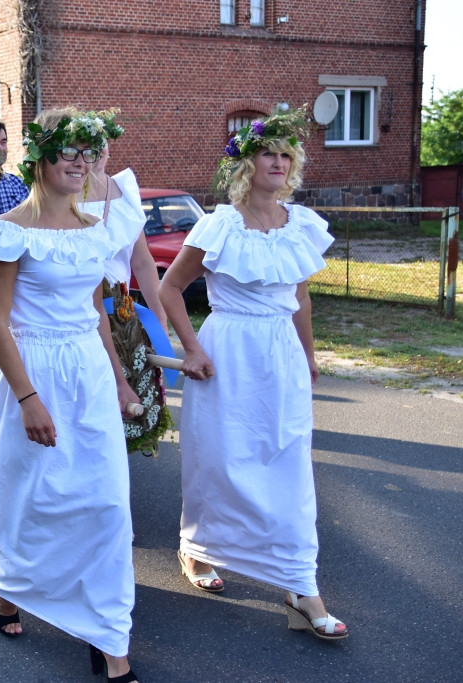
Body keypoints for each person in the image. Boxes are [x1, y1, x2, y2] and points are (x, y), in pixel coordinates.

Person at [158, 106, 348, 640]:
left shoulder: (301, 225)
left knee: (288, 461)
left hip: (280, 352)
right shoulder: (219, 225)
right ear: (247, 161)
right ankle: (196, 547)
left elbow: (301, 297)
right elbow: (171, 287)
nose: (280, 163)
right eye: (270, 152)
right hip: (228, 352)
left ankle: (298, 584)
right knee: (219, 457)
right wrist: (190, 348)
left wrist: (308, 354)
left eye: (288, 155)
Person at [0, 110, 140, 681]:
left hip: (87, 371)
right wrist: (27, 399)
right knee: (33, 497)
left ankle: (109, 635)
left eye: (88, 153)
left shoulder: (97, 227)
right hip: (32, 368)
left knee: (107, 502)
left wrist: (117, 378)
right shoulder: (7, 229)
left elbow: (94, 312)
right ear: (40, 156)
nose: (80, 161)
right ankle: (8, 588)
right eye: (68, 151)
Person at [79, 109, 173, 455]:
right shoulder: (64, 191)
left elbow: (143, 261)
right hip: (79, 307)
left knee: (132, 393)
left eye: (101, 145)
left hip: (122, 309)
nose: (98, 153)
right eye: (88, 147)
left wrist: (159, 315)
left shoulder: (125, 189)